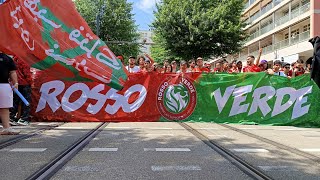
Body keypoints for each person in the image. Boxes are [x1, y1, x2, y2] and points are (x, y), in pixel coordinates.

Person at [0, 52, 20, 135]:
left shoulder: (7, 58)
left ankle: (6, 128)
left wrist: (15, 83)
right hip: (4, 86)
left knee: (4, 107)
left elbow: (12, 72)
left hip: (4, 85)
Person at [10, 56, 32, 126]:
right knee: (26, 101)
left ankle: (11, 118)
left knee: (14, 101)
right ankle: (24, 118)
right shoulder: (23, 60)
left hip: (14, 83)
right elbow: (26, 73)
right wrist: (30, 82)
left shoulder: (13, 60)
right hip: (24, 83)